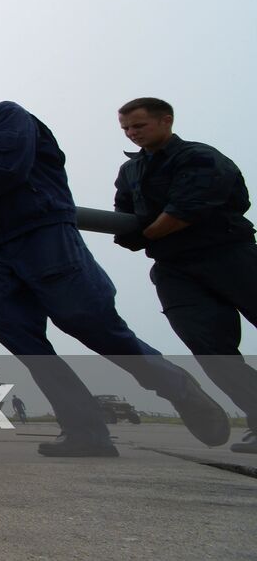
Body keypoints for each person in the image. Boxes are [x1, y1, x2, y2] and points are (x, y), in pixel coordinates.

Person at [0, 59, 230, 457]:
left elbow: (8, 169)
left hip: (43, 235)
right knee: (14, 331)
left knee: (92, 325)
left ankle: (178, 388)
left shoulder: (9, 117)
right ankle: (86, 431)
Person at [114, 97, 257, 454]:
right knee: (211, 351)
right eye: (126, 128)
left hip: (229, 255)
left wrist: (143, 234)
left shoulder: (198, 157)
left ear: (166, 121)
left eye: (139, 126)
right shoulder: (130, 171)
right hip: (175, 269)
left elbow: (182, 212)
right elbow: (124, 216)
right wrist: (135, 233)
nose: (132, 133)